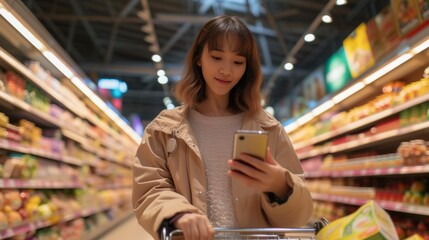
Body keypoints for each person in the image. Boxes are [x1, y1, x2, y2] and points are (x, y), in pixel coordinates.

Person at [132, 15, 313, 240]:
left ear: (248, 67)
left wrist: (281, 186)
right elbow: (149, 189)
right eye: (217, 57)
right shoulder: (164, 129)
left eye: (238, 62)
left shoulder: (269, 128)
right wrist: (177, 213)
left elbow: (299, 216)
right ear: (199, 58)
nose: (226, 70)